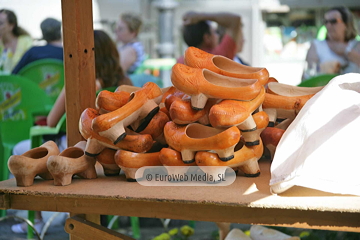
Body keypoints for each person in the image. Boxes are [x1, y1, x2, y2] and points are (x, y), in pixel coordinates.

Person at [10, 29, 132, 234]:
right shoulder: (125, 83)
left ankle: (36, 219)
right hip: (117, 153)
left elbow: (51, 121)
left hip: (79, 150)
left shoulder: (77, 83)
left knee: (22, 149)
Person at [303, 6, 360, 80]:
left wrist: (347, 51)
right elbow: (306, 75)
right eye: (326, 22)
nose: (328, 25)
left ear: (346, 24)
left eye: (333, 21)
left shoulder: (356, 45)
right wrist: (322, 69)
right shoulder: (317, 45)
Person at [177, 11, 241, 64]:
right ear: (207, 38)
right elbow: (235, 20)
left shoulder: (181, 62)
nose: (218, 36)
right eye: (215, 32)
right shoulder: (217, 58)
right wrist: (199, 16)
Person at [0, 9, 32, 73]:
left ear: (11, 26)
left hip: (21, 80)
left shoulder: (26, 41)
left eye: (1, 23)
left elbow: (31, 65)